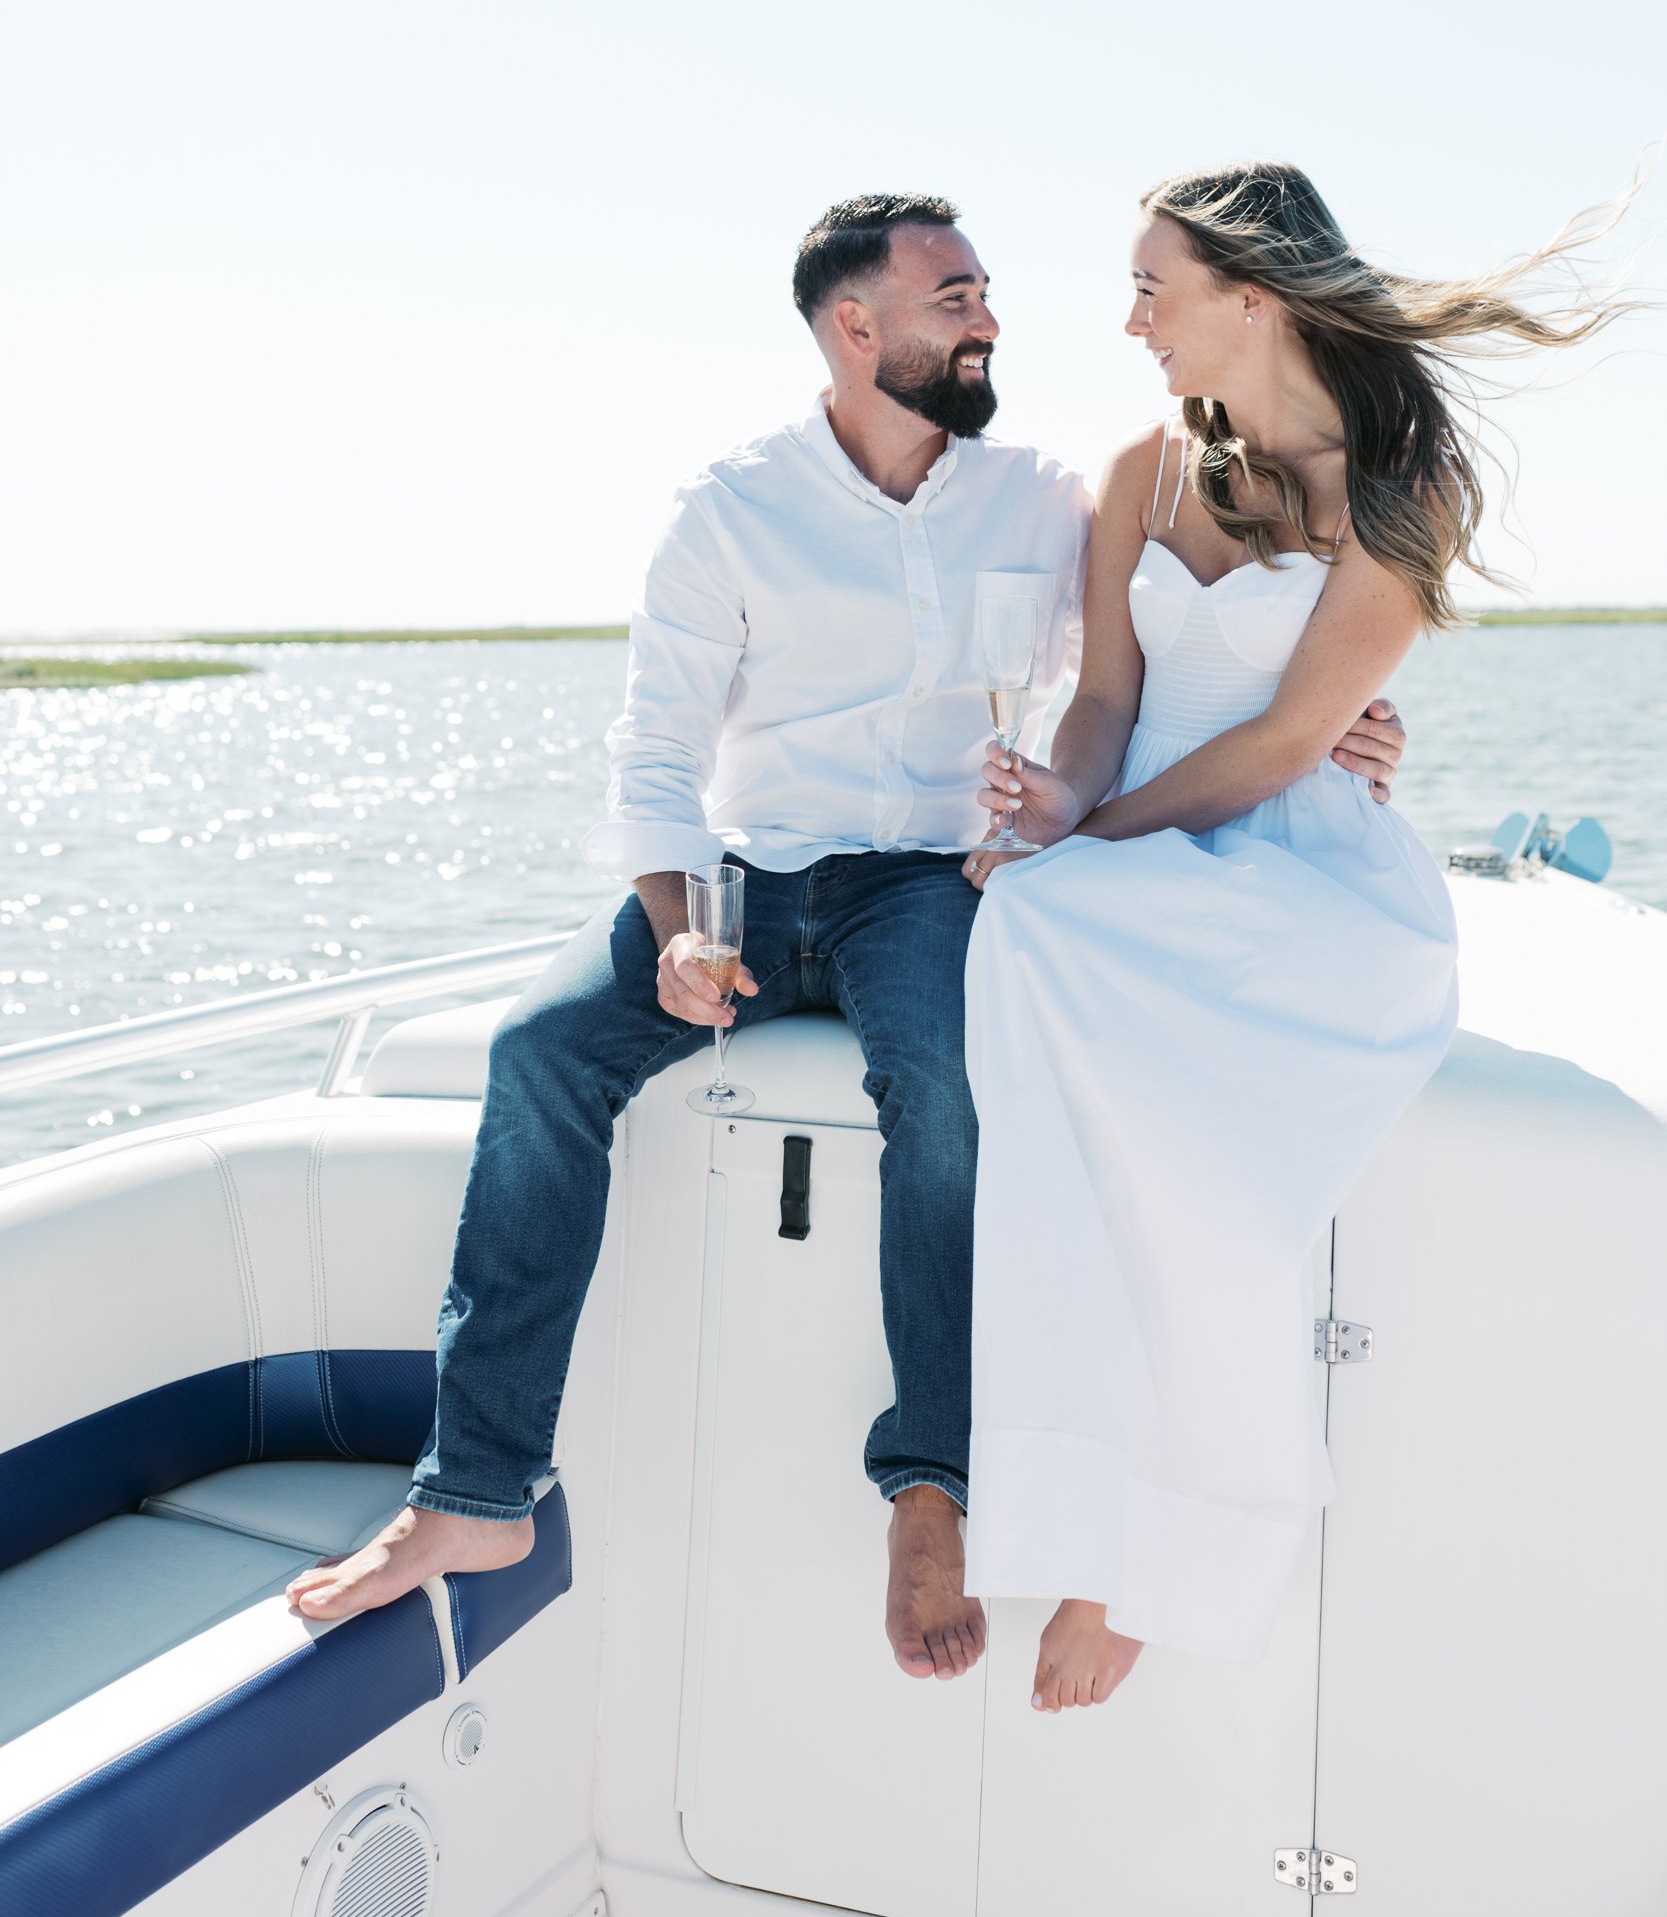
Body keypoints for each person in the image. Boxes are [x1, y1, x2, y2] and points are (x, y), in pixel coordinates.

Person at [286, 191, 1406, 1678]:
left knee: (945, 1092)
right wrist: (679, 930)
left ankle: (928, 1491)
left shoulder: (1048, 500)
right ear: (855, 326)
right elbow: (656, 758)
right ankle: (477, 1491)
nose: (990, 318)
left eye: (987, 291)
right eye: (956, 299)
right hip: (746, 877)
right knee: (538, 1053)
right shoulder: (729, 510)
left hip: (921, 885)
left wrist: (1344, 729)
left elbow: (1149, 679)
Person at [958, 161, 1622, 1713]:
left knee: (1053, 949)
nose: (1129, 321)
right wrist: (1061, 791)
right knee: (1030, 961)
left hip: (1297, 874)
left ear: (1249, 298)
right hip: (1136, 843)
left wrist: (1080, 846)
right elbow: (1110, 699)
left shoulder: (1400, 487)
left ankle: (1154, 1553)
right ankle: (1081, 1509)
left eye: (1150, 288)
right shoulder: (1147, 465)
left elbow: (1279, 753)